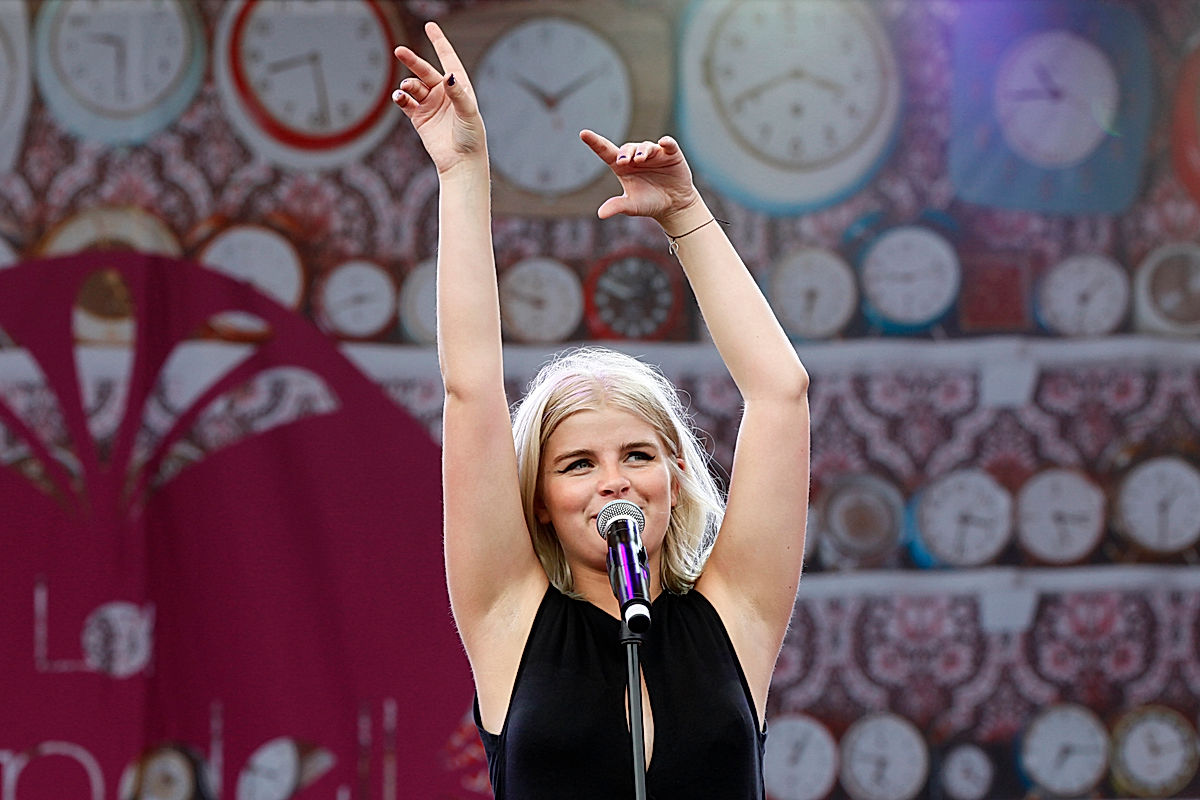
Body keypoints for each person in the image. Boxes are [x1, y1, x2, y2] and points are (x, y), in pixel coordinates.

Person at [392, 22, 810, 799]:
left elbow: (781, 394)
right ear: (541, 504)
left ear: (677, 477)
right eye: (578, 464)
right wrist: (462, 171)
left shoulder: (733, 617)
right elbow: (472, 388)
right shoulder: (511, 620)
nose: (614, 483)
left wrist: (684, 216)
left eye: (638, 455)